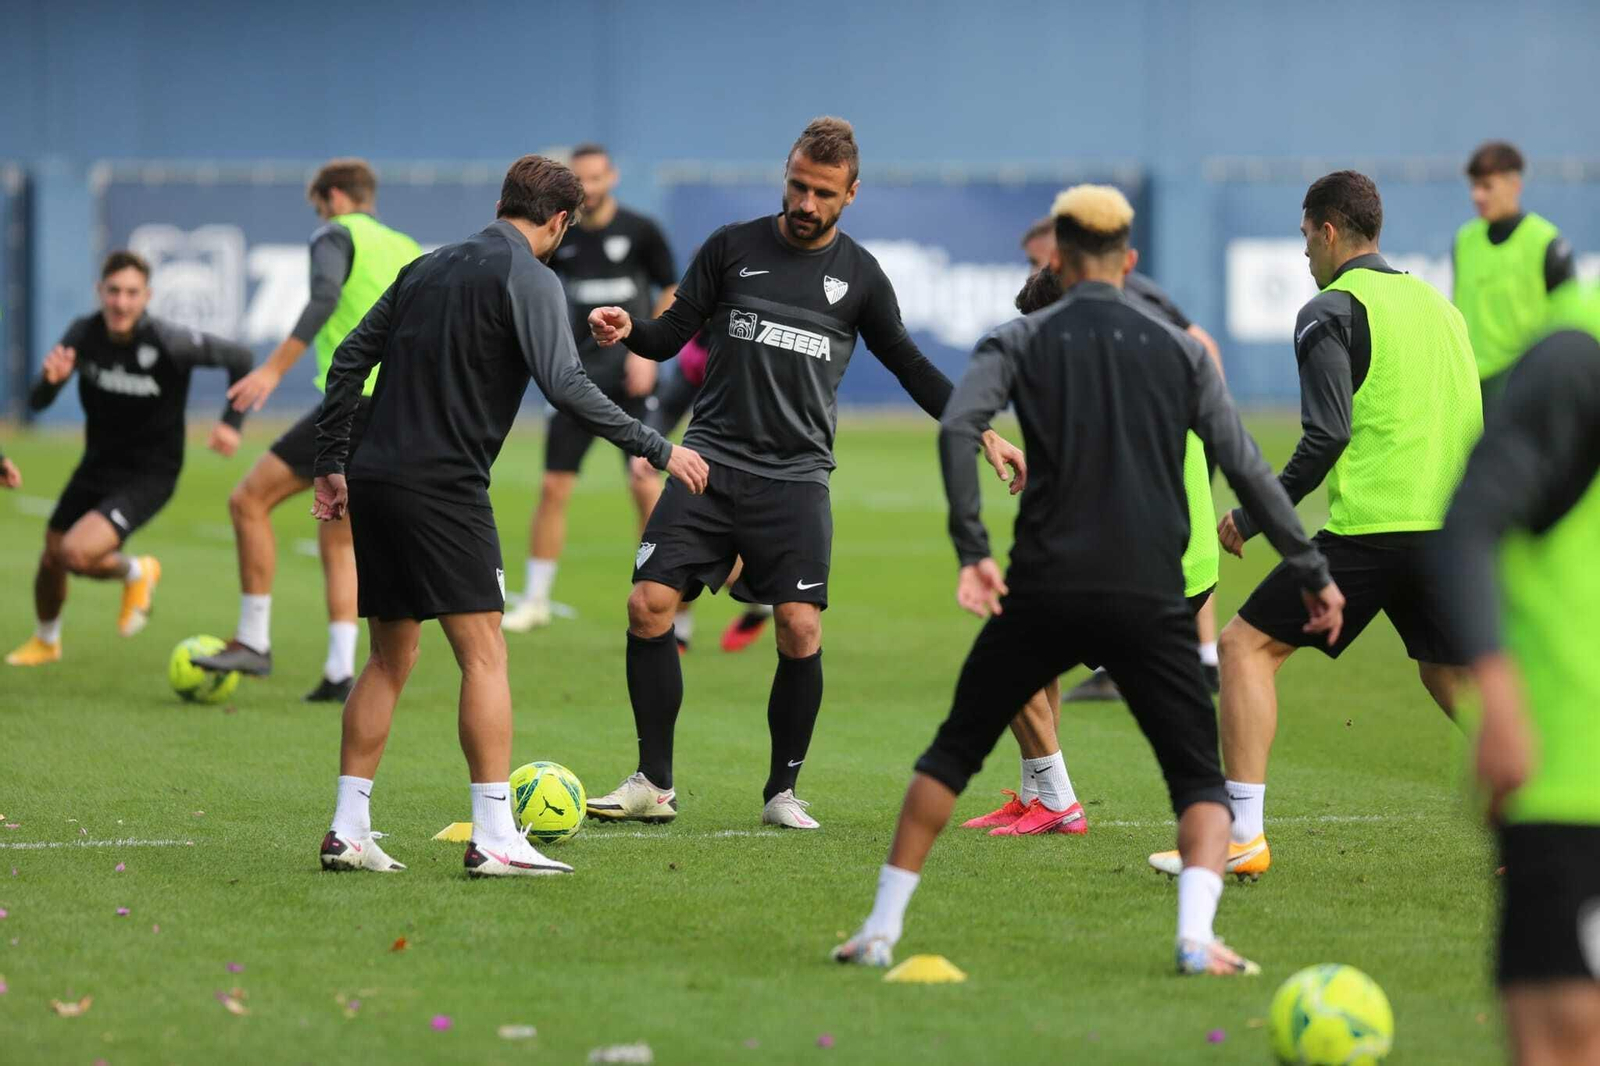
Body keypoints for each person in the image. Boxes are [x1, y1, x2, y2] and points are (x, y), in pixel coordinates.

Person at [831, 185, 1341, 975]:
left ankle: (881, 928)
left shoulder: (1017, 339)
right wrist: (1309, 567)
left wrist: (972, 548)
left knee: (948, 756)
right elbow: (1245, 466)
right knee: (1197, 780)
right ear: (1129, 261)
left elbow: (962, 425)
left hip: (1043, 590)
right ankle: (1196, 940)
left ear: (1058, 259)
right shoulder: (1180, 349)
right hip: (1151, 593)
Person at [582, 117, 1024, 830]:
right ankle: (653, 782)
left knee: (798, 629)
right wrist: (629, 328)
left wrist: (985, 433)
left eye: (822, 192)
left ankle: (782, 791)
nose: (805, 202)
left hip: (795, 478)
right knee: (647, 605)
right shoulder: (731, 247)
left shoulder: (861, 278)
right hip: (710, 463)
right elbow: (671, 334)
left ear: (850, 194)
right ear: (784, 176)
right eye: (796, 185)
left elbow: (911, 367)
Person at [309, 154, 707, 878]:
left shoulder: (426, 267)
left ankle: (348, 828)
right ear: (558, 221)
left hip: (376, 475)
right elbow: (567, 385)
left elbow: (346, 361)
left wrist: (332, 463)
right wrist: (655, 445)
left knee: (389, 658)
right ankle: (494, 834)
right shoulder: (531, 276)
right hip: (446, 487)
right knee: (484, 653)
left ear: (503, 202)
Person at [1150, 171, 1482, 880]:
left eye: (1306, 238)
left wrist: (1254, 514)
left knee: (1244, 648)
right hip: (1451, 530)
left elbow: (1326, 435)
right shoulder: (1441, 309)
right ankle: (1550, 820)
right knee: (1449, 676)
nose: (1304, 254)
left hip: (1373, 529)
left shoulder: (1329, 311)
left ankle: (1241, 835)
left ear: (1329, 232)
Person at [962, 263, 1218, 837]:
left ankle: (1058, 801)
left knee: (1005, 655)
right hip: (1186, 558)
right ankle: (1036, 796)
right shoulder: (1148, 348)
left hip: (1148, 568)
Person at [1437, 279, 1600, 1066]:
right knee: (1564, 1036)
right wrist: (1498, 697)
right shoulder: (1578, 356)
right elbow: (1470, 522)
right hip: (1573, 774)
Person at [192, 159, 422, 702]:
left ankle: (252, 639)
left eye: (318, 205)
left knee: (247, 501)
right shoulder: (406, 246)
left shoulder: (335, 234)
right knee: (337, 534)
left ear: (334, 197)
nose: (318, 215)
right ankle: (342, 669)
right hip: (396, 409)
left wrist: (271, 370)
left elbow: (323, 297)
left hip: (351, 405)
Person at [6, 251, 251, 666]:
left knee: (76, 554)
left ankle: (136, 571)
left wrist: (231, 422)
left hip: (150, 474)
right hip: (96, 464)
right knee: (51, 556)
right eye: (114, 291)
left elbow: (240, 358)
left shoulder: (169, 342)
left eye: (132, 293)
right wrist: (51, 383)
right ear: (99, 292)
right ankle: (47, 641)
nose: (121, 302)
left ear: (147, 296)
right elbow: (37, 400)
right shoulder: (83, 333)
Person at [1023, 217, 1227, 704]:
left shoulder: (1098, 373)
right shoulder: (1145, 351)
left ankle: (1046, 784)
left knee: (1019, 653)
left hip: (1142, 579)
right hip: (1194, 569)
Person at [503, 144, 682, 636]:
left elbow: (670, 290)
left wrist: (647, 352)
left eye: (598, 177)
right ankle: (536, 599)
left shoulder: (641, 231)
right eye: (582, 180)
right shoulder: (562, 234)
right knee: (553, 486)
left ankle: (658, 593)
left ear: (613, 177)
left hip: (632, 374)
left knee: (645, 482)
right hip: (575, 378)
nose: (591, 187)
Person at [631, 333, 777, 654]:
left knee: (717, 546)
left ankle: (758, 598)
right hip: (707, 454)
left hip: (763, 458)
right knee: (671, 525)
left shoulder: (764, 343)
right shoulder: (702, 345)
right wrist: (650, 447)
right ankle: (680, 628)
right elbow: (670, 403)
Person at [1452, 140, 1574, 411]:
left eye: (1487, 186)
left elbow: (1567, 328)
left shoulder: (1547, 244)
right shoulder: (1464, 241)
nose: (1477, 196)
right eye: (1474, 186)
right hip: (1470, 385)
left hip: (1524, 387)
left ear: (1514, 185)